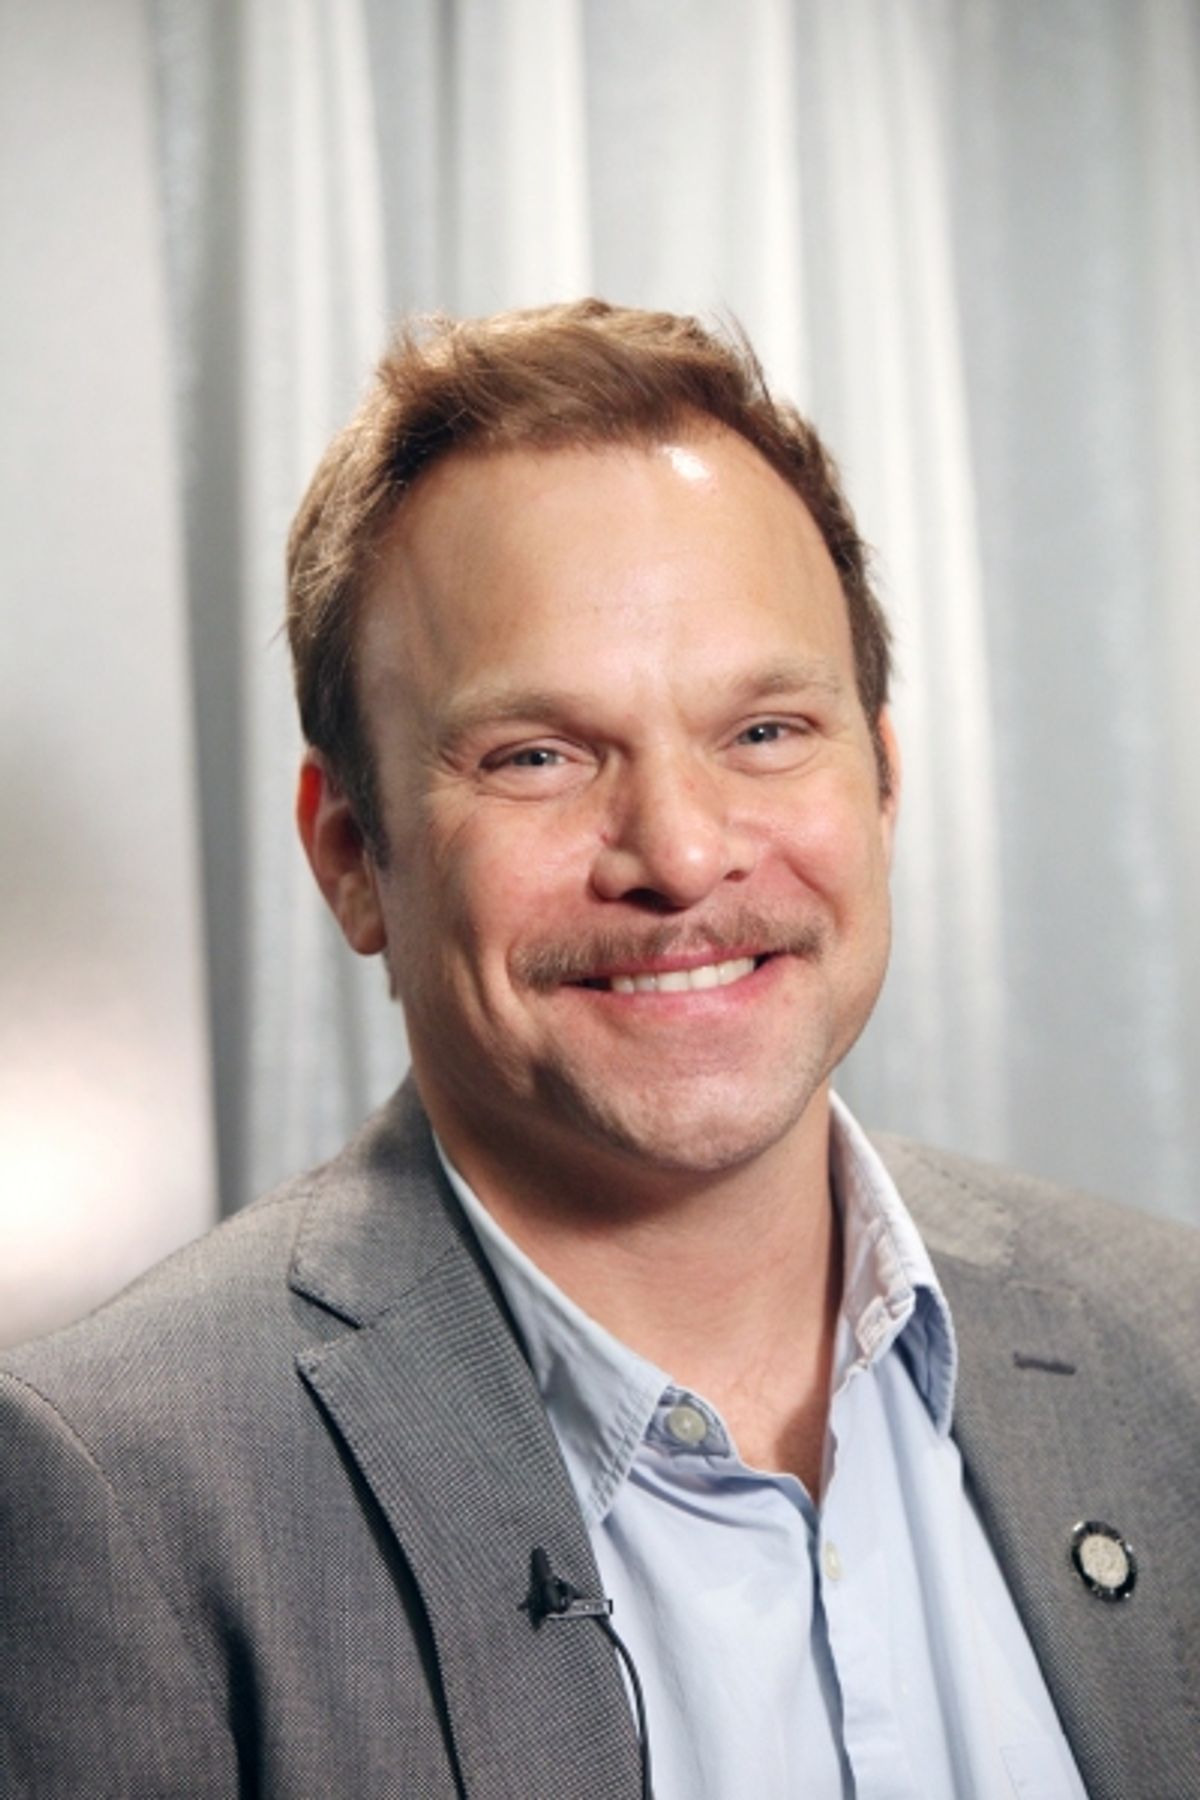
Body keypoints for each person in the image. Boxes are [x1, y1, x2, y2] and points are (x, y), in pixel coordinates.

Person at [1, 301, 1197, 1800]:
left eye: (764, 731)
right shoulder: (117, 1496)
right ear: (354, 855)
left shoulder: (1177, 1350)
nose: (682, 856)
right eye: (538, 757)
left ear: (882, 784)